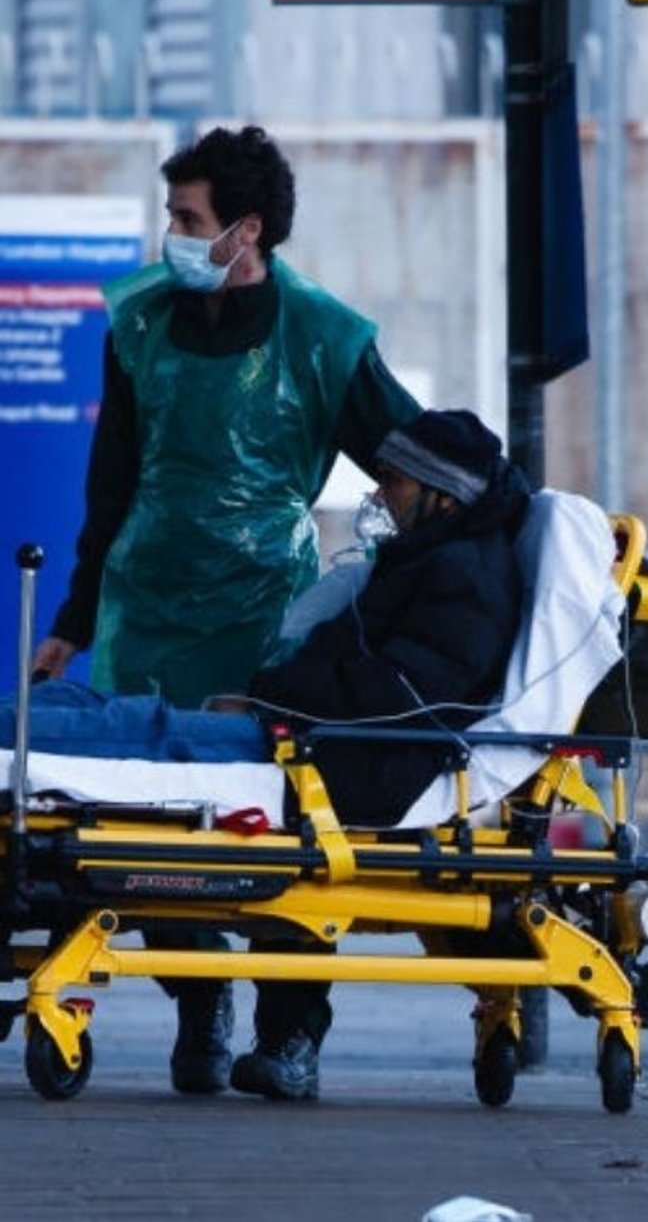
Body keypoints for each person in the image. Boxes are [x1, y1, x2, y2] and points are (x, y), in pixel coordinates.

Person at [29, 124, 421, 1095]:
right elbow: (109, 486)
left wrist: (462, 557)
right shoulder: (141, 327)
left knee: (285, 836)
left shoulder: (327, 340)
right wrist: (73, 622)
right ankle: (201, 1009)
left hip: (263, 628)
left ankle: (290, 1035)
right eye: (172, 214)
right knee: (144, 837)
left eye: (188, 217)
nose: (172, 232)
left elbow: (417, 464)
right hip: (148, 611)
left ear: (245, 231)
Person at [208, 408, 530, 1102]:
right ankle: (284, 1042)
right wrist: (275, 697)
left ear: (442, 491)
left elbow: (400, 692)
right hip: (336, 741)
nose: (381, 495)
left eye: (394, 481)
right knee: (136, 728)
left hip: (368, 761)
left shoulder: (463, 575)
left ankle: (288, 1043)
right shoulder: (428, 559)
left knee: (147, 739)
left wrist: (272, 700)